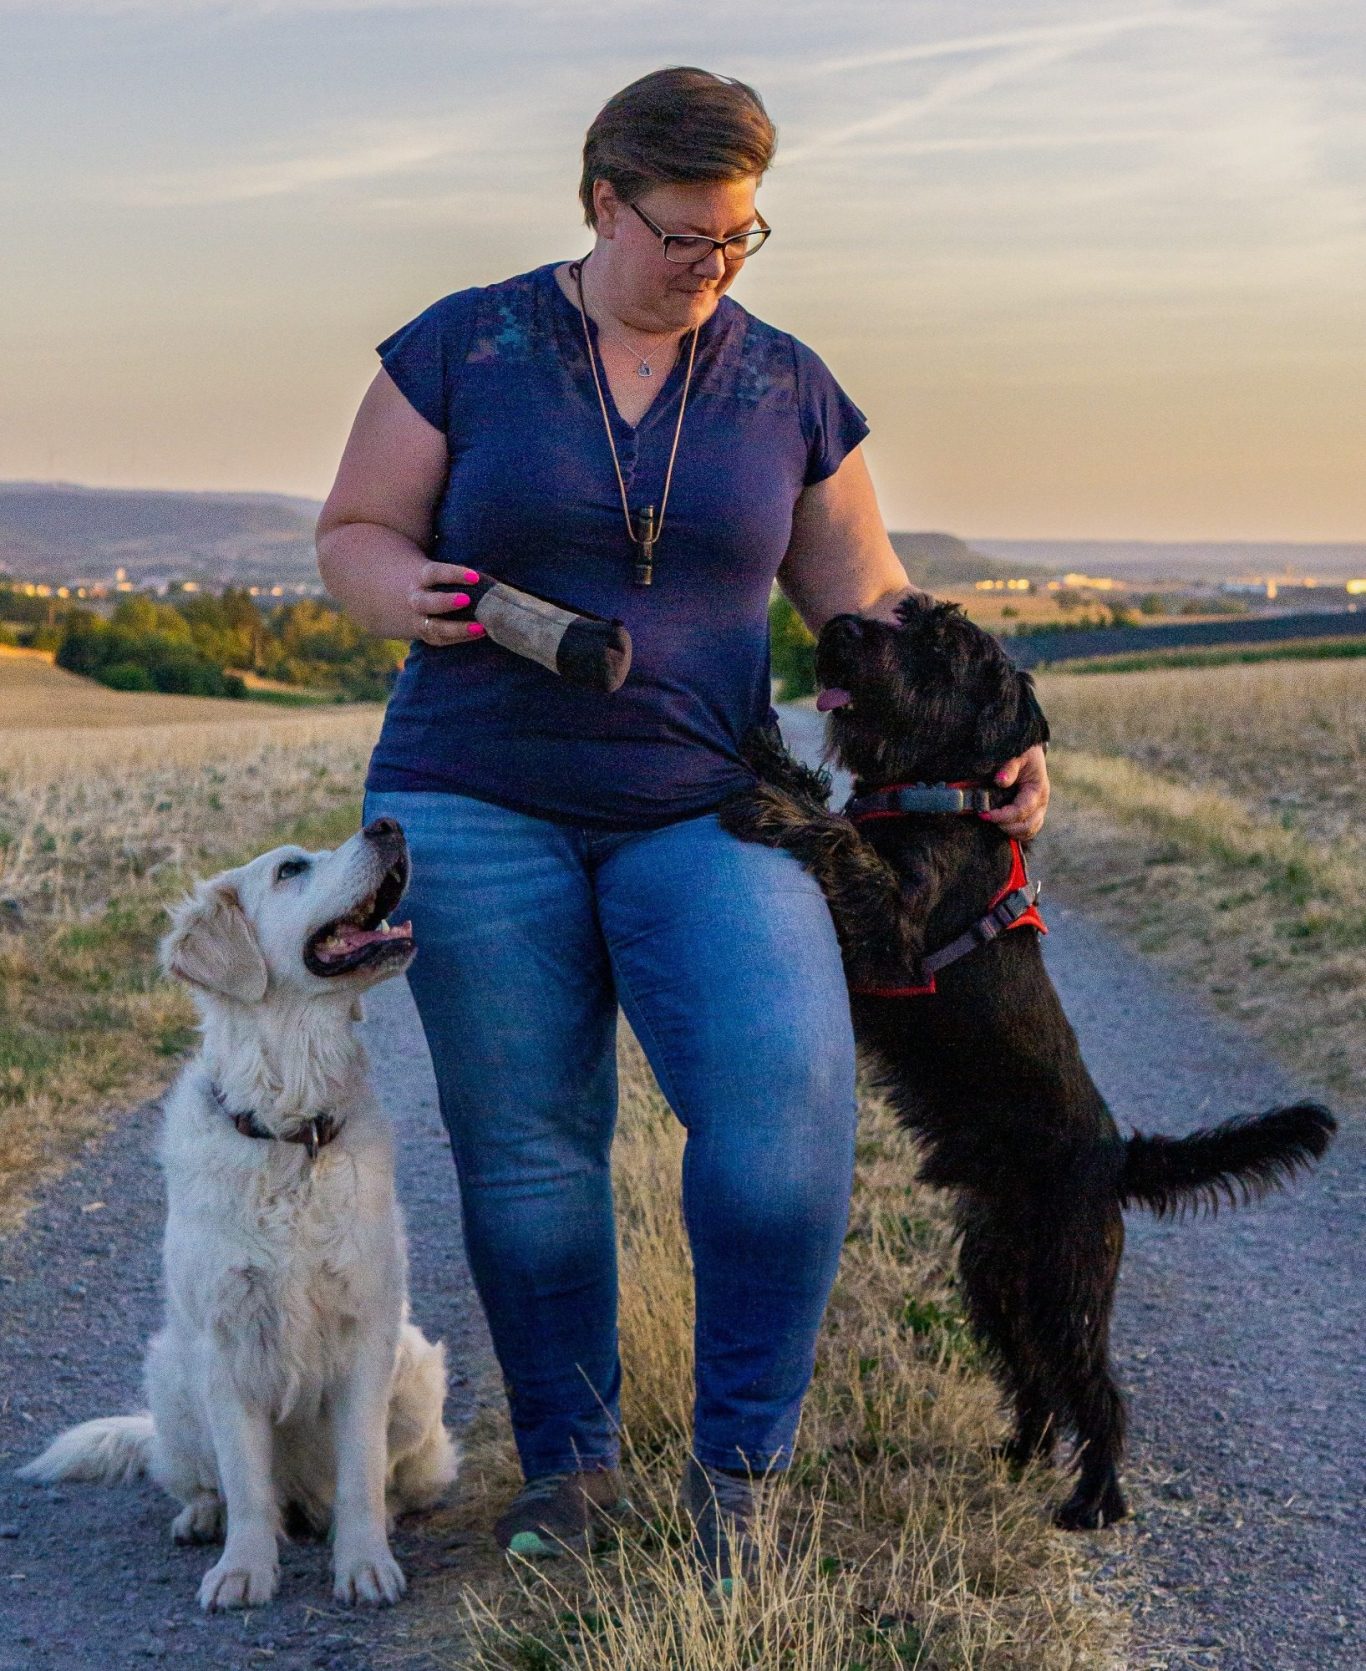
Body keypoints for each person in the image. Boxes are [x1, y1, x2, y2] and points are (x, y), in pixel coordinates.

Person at [315, 65, 1049, 1586]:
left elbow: (869, 600)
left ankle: (738, 1477)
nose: (714, 264)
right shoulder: (465, 343)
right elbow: (355, 532)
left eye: (739, 236)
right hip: (470, 797)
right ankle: (572, 1467)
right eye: (685, 235)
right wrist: (403, 590)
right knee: (530, 1156)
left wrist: (997, 738)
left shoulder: (785, 385)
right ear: (603, 202)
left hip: (712, 804)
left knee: (784, 1133)